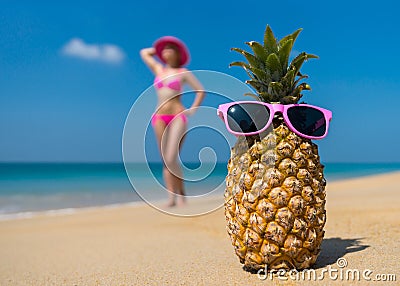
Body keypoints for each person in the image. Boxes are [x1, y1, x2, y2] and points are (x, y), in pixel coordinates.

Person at [140, 36, 205, 207]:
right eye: (165, 49)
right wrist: (159, 49)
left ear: (177, 53)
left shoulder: (183, 72)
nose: (167, 51)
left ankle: (181, 193)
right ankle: (172, 197)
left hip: (177, 116)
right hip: (159, 117)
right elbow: (144, 53)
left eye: (171, 48)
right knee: (165, 160)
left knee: (171, 158)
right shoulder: (158, 69)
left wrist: (193, 108)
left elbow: (200, 90)